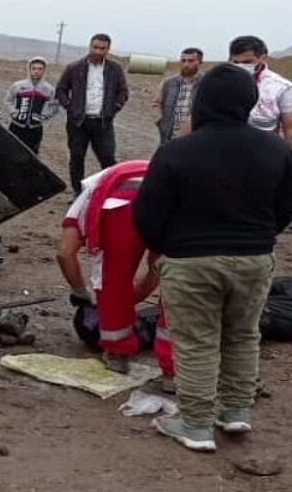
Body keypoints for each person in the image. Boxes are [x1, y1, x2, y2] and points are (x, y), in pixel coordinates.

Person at [135, 64, 292, 452]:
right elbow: (285, 207)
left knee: (198, 342)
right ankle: (236, 411)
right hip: (254, 258)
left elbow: (148, 215)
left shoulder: (175, 152)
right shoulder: (276, 150)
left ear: (201, 102)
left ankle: (195, 423)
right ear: (249, 102)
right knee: (243, 335)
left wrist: (166, 248)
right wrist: (258, 236)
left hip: (191, 262)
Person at [57, 161, 173, 377]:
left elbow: (65, 252)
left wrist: (81, 293)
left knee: (113, 278)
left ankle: (118, 354)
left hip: (119, 204)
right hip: (169, 198)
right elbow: (155, 270)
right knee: (174, 280)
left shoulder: (86, 198)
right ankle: (173, 372)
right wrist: (131, 299)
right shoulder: (156, 169)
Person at [56, 34, 129, 196]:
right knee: (76, 157)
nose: (97, 51)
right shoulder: (74, 67)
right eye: (95, 47)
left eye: (102, 48)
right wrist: (70, 107)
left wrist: (114, 108)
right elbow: (61, 90)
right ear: (90, 46)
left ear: (108, 50)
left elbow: (123, 91)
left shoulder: (115, 69)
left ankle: (110, 191)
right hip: (78, 122)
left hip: (102, 122)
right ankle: (78, 193)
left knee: (108, 158)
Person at [229, 35, 292, 143]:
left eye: (247, 62)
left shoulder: (281, 87)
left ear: (263, 58)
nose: (240, 66)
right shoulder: (221, 83)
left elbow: (289, 127)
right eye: (236, 62)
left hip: (266, 151)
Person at [4, 56, 59, 154]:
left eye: (40, 69)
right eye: (34, 68)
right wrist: (13, 112)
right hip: (16, 126)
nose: (36, 71)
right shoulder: (18, 85)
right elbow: (8, 100)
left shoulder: (48, 89)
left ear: (44, 70)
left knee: (31, 154)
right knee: (11, 152)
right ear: (29, 69)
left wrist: (43, 116)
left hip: (35, 128)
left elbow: (54, 106)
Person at [154, 48, 204, 144]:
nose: (186, 64)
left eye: (191, 61)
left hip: (195, 137)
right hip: (170, 136)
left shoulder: (206, 83)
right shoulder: (168, 83)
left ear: (200, 62)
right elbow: (157, 103)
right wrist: (160, 120)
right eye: (183, 61)